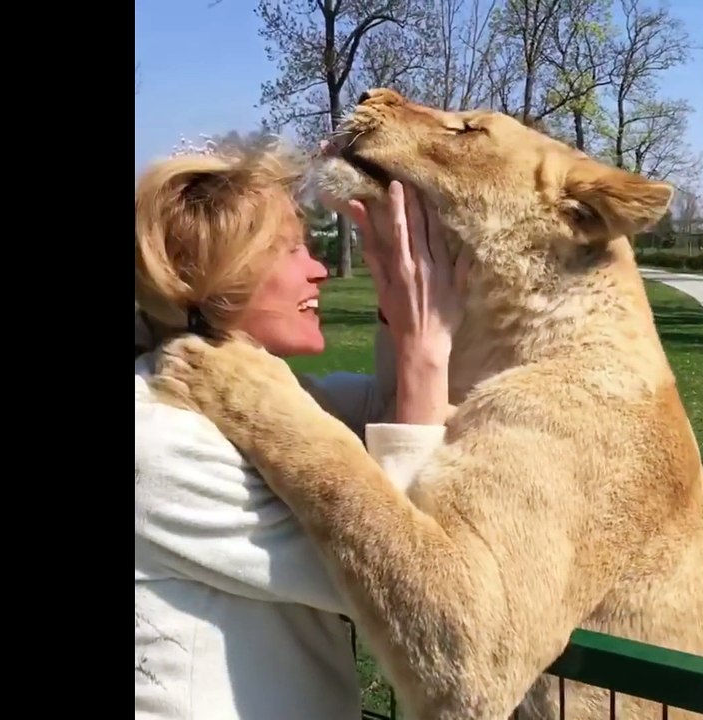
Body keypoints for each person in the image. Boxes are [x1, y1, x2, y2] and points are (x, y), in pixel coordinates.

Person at [134, 146, 465, 719]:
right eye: (290, 248)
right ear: (214, 275)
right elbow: (401, 585)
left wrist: (398, 303)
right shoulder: (161, 438)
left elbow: (388, 412)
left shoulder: (257, 393)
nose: (317, 268)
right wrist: (421, 356)